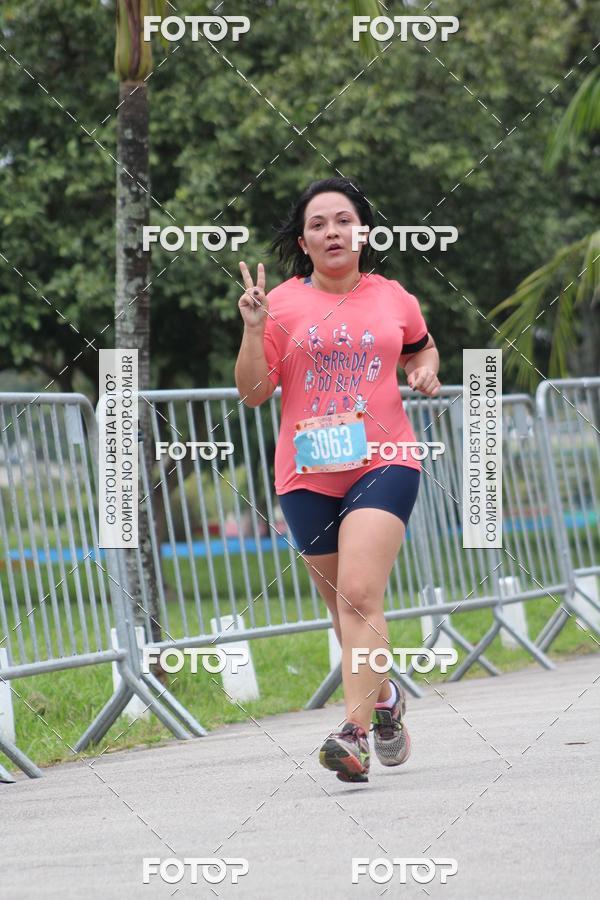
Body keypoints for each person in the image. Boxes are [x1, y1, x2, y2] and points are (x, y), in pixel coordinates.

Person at [234, 176, 441, 783]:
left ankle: (351, 734)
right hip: (307, 472)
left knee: (357, 594)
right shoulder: (280, 305)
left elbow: (422, 348)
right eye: (318, 224)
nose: (332, 231)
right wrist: (253, 329)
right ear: (303, 242)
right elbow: (253, 393)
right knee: (343, 608)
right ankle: (385, 701)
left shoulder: (394, 297)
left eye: (344, 220)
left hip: (385, 459)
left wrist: (423, 371)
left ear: (363, 233)